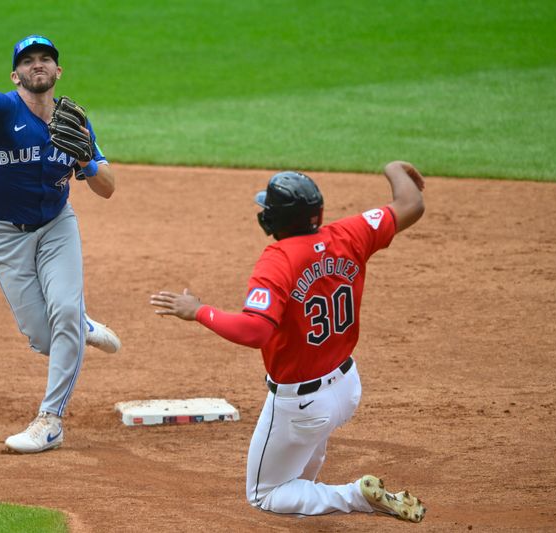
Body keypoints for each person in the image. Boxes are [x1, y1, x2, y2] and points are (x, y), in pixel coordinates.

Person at [150, 162, 427, 522]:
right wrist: (394, 169)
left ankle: (356, 495)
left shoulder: (278, 261)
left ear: (276, 220)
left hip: (303, 403)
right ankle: (319, 500)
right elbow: (411, 204)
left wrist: (198, 310)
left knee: (266, 494)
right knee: (299, 472)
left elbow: (254, 331)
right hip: (345, 387)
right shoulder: (350, 233)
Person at [0, 34, 121, 454]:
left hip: (56, 226)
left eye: (46, 59)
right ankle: (81, 326)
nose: (38, 65)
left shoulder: (74, 121)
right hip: (5, 237)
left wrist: (85, 159)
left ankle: (50, 420)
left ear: (58, 71)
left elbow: (107, 187)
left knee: (63, 311)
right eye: (28, 61)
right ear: (17, 75)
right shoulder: (4, 108)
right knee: (48, 339)